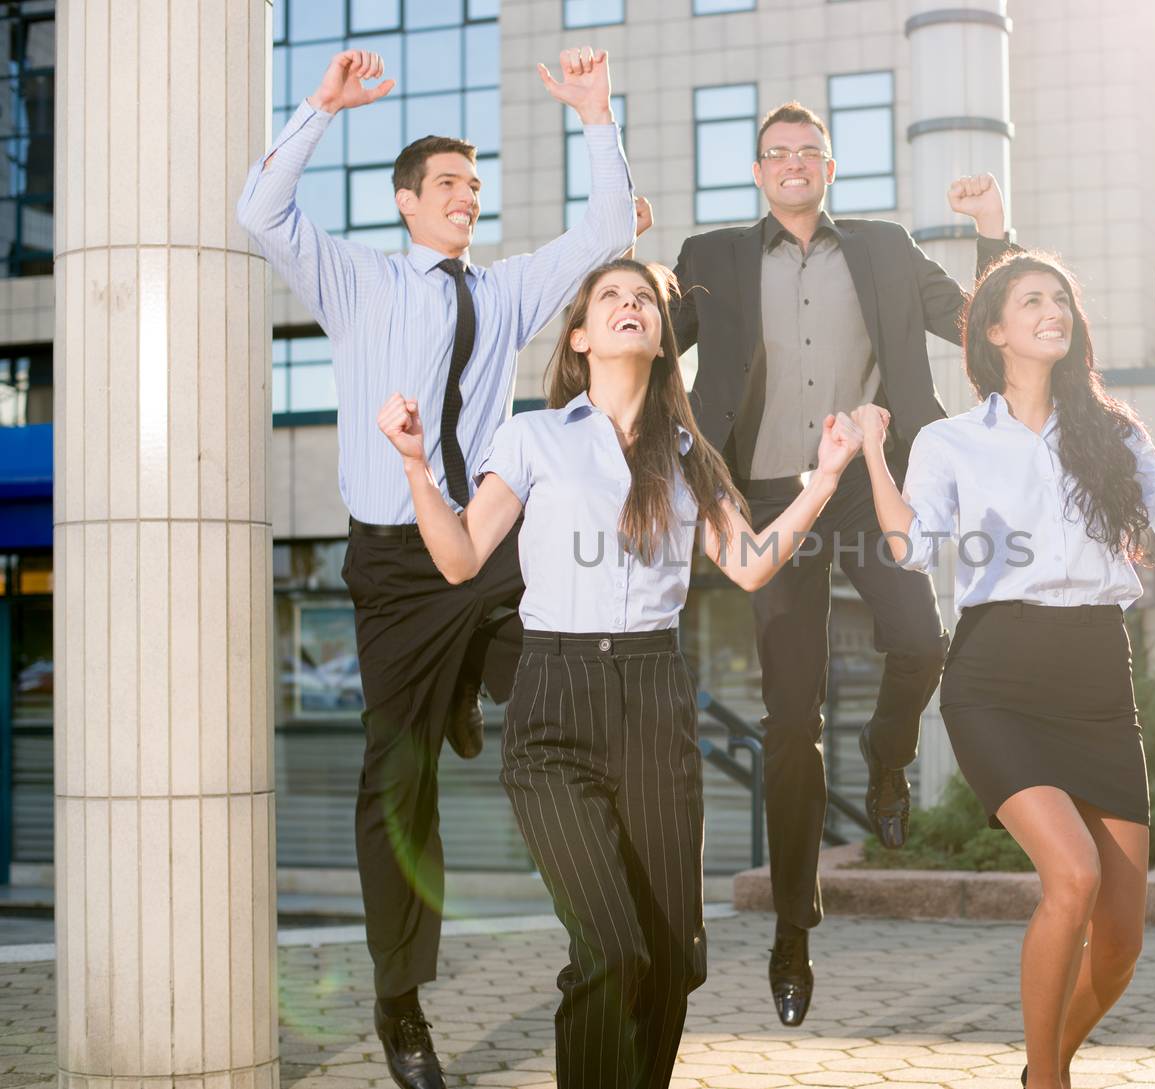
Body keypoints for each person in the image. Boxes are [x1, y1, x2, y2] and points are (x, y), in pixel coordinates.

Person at [236, 46, 636, 1086]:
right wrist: (319, 107)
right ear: (409, 201)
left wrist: (595, 113)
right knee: (397, 778)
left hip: (490, 549)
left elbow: (603, 234)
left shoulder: (500, 293)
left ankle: (608, 932)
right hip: (397, 569)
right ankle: (399, 999)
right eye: (449, 184)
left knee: (562, 704)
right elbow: (261, 216)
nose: (468, 197)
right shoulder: (359, 280)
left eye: (475, 184)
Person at [378, 258, 862, 1089]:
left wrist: (822, 480)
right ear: (580, 336)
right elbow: (459, 558)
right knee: (611, 948)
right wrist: (419, 468)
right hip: (556, 702)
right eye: (612, 297)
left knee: (673, 958)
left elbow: (747, 565)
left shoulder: (688, 456)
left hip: (654, 699)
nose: (631, 305)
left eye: (644, 299)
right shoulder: (533, 437)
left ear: (661, 338)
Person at [664, 96, 1016, 1024]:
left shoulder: (887, 248)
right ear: (758, 171)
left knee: (922, 638)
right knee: (789, 723)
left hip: (863, 481)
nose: (792, 164)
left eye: (808, 152)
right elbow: (643, 336)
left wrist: (993, 231)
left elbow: (983, 324)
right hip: (768, 496)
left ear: (828, 168)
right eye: (776, 153)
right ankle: (791, 933)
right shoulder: (712, 258)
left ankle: (887, 754)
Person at [854, 250, 1155, 1089]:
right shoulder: (953, 440)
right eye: (1031, 299)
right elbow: (912, 546)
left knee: (1123, 940)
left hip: (1097, 676)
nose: (1052, 308)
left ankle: (1038, 1069)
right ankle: (1050, 1083)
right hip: (997, 679)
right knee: (1075, 875)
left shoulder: (1113, 432)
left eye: (1061, 297)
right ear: (994, 329)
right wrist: (874, 455)